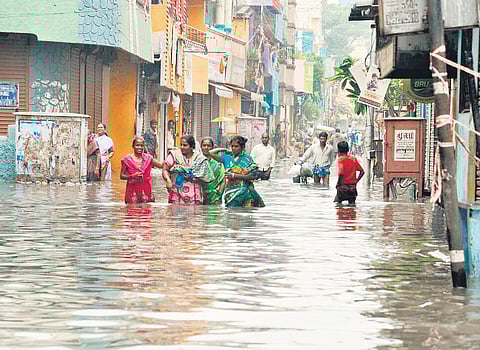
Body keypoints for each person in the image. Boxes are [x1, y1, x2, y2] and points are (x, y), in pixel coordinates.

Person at [209, 135, 265, 208]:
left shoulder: (247, 159)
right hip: (230, 193)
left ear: (242, 147)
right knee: (231, 214)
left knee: (245, 216)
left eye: (236, 146)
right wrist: (224, 149)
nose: (233, 148)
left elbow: (252, 176)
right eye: (232, 146)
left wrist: (233, 176)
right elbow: (211, 152)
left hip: (245, 193)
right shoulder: (227, 157)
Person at [162, 135, 213, 205]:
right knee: (174, 213)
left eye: (185, 145)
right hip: (176, 193)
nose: (182, 147)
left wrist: (192, 177)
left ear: (192, 146)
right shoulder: (174, 155)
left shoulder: (199, 158)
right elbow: (165, 169)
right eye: (181, 145)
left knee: (194, 214)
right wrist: (168, 180)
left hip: (194, 196)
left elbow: (206, 177)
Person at [120, 136, 164, 204]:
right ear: (133, 146)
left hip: (145, 191)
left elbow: (161, 165)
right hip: (132, 192)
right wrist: (132, 176)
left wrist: (171, 159)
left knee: (146, 211)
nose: (139, 147)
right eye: (137, 145)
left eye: (141, 145)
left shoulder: (148, 158)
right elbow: (122, 176)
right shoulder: (126, 160)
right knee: (132, 211)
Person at [201, 137, 225, 205]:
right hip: (199, 195)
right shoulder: (197, 161)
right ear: (201, 147)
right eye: (204, 145)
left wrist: (219, 194)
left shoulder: (218, 163)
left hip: (214, 196)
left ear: (212, 147)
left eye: (209, 146)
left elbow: (223, 180)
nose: (206, 147)